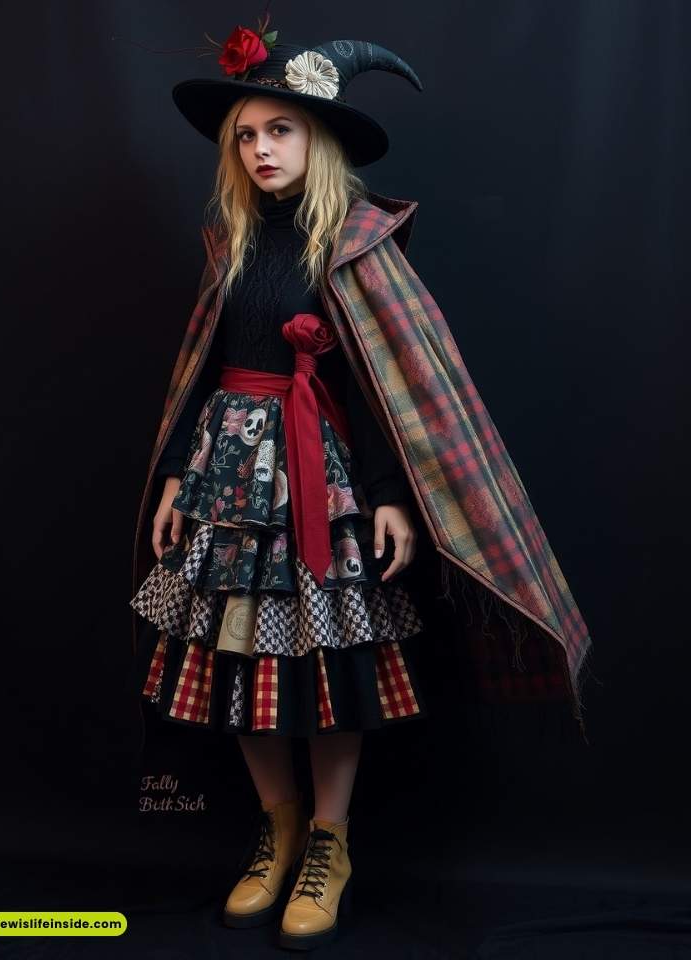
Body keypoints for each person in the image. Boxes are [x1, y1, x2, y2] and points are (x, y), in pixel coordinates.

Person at [129, 20, 593, 952]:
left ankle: (329, 845)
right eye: (248, 136)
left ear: (322, 138)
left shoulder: (359, 243)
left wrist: (387, 492)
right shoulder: (229, 241)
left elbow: (386, 384)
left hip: (325, 479)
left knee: (326, 670)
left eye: (281, 132)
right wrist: (177, 472)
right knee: (240, 659)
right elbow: (203, 365)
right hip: (229, 473)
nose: (262, 149)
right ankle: (279, 829)